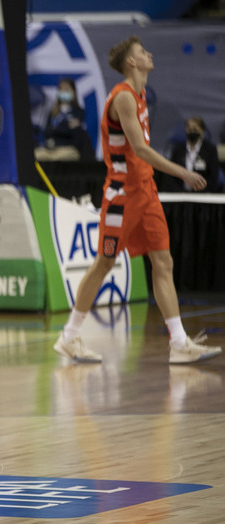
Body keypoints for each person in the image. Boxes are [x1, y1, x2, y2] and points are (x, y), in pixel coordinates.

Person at [53, 36, 222, 365]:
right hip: (123, 193)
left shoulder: (142, 94)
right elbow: (141, 150)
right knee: (104, 263)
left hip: (145, 189)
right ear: (131, 63)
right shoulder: (124, 98)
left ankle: (179, 342)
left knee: (164, 262)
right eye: (143, 52)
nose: (149, 54)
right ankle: (69, 337)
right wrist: (183, 173)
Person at [35, 78, 94, 162]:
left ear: (73, 92)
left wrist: (56, 129)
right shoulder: (52, 112)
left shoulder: (79, 112)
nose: (63, 92)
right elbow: (47, 131)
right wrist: (66, 127)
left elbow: (76, 134)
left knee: (61, 157)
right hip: (51, 149)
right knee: (36, 154)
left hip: (68, 149)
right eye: (61, 89)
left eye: (66, 89)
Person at [157, 117, 221, 193]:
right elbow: (170, 176)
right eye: (189, 129)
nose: (192, 132)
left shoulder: (210, 150)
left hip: (202, 196)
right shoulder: (178, 150)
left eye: (195, 130)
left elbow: (213, 177)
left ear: (202, 131)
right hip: (179, 195)